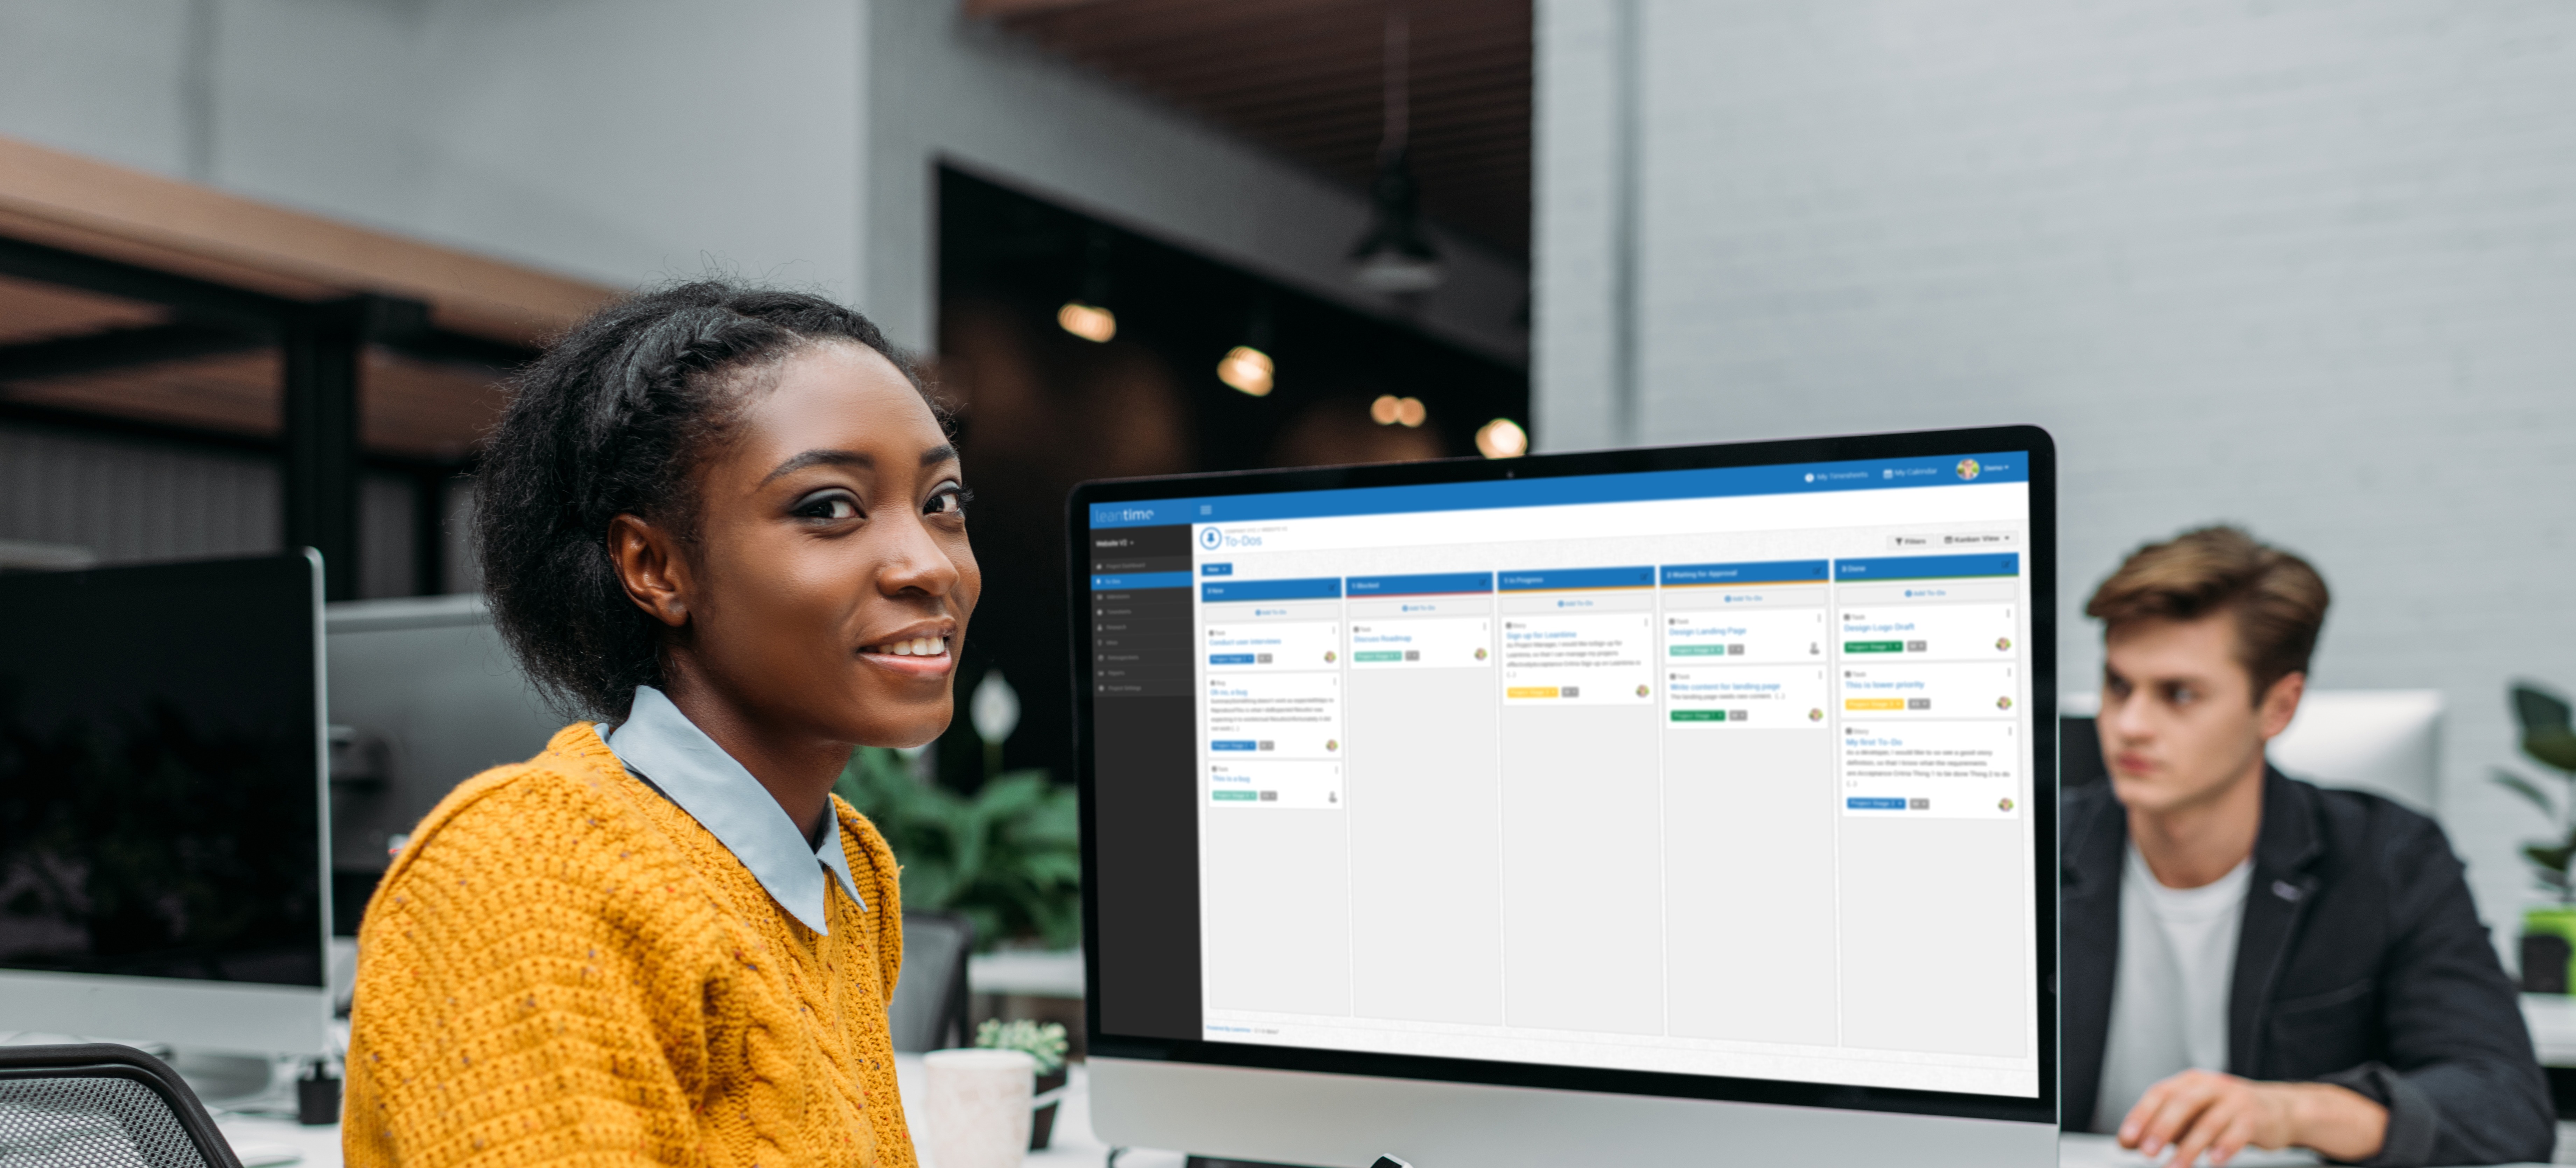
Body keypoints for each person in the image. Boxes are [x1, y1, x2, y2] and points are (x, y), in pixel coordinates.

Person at [344, 281, 976, 1168]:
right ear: (654, 567)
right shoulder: (525, 877)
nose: (928, 565)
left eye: (942, 502)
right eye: (828, 507)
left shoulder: (844, 864)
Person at [2065, 527, 2550, 1167]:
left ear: (2279, 707)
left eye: (2179, 695)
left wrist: (2294, 1112)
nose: (2130, 725)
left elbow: (2504, 1105)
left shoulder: (2389, 859)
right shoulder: (2029, 855)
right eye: (2118, 687)